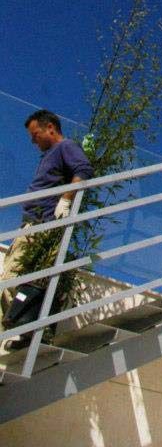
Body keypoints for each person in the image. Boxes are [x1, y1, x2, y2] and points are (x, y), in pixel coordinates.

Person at [1, 110, 94, 349]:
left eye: (35, 134)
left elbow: (83, 170)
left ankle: (25, 333)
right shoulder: (48, 155)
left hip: (43, 226)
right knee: (13, 282)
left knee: (11, 281)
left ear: (50, 127)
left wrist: (65, 200)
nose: (33, 141)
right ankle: (22, 333)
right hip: (31, 225)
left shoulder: (66, 147)